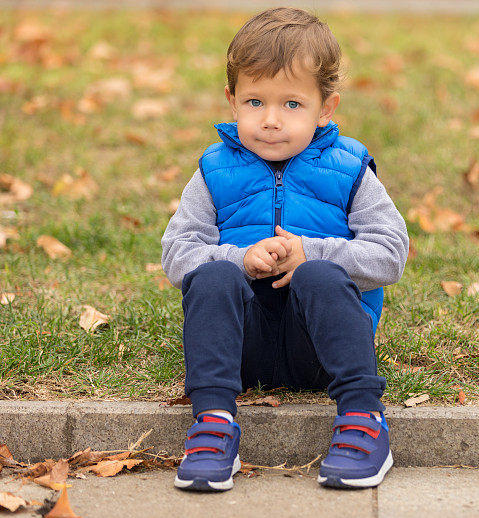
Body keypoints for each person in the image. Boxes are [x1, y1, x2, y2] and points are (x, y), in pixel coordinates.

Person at [161, 6, 409, 492]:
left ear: (326, 108)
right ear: (232, 100)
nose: (270, 121)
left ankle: (363, 418)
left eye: (292, 105)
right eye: (255, 102)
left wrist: (313, 254)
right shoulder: (213, 169)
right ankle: (212, 424)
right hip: (241, 351)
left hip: (321, 348)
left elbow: (390, 253)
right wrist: (238, 260)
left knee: (317, 274)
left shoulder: (349, 167)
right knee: (212, 276)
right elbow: (178, 254)